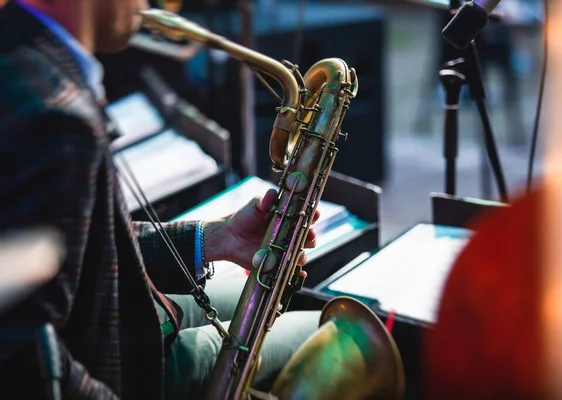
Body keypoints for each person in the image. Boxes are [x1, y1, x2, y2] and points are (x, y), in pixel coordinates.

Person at [0, 0, 321, 398]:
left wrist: (213, 239)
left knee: (277, 302)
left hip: (130, 321)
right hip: (130, 370)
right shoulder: (55, 119)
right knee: (327, 328)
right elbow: (20, 359)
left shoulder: (17, 57)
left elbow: (77, 251)